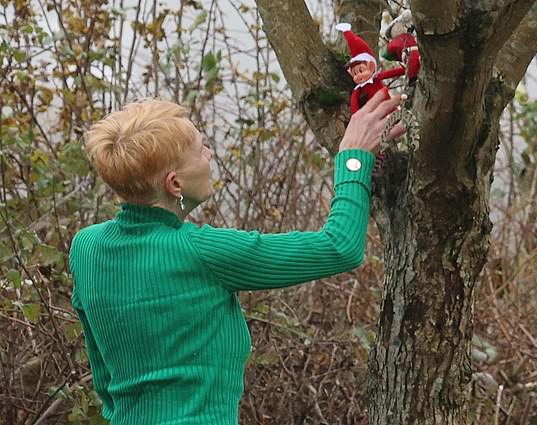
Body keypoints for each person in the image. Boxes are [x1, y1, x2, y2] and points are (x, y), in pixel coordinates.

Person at [69, 90, 405, 424]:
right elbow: (339, 246)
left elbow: (104, 377)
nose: (210, 155)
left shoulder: (86, 248)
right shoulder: (202, 252)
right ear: (175, 184)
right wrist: (353, 158)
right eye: (200, 150)